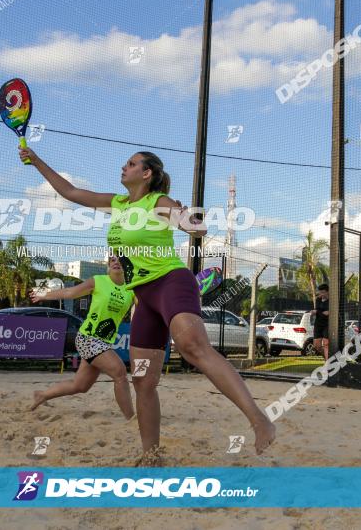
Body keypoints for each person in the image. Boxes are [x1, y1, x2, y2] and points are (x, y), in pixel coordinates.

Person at [18, 146, 275, 460]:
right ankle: (150, 455)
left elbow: (197, 228)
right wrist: (36, 160)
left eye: (131, 164)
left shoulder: (157, 202)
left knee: (193, 347)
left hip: (171, 283)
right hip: (144, 300)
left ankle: (258, 419)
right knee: (143, 381)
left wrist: (188, 218)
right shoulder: (117, 203)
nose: (123, 167)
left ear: (147, 173)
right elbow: (70, 191)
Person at [28, 256, 135, 420]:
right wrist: (43, 294)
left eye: (120, 260)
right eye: (112, 260)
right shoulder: (98, 281)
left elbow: (146, 307)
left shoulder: (131, 289)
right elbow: (70, 292)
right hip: (88, 338)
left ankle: (42, 395)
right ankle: (131, 418)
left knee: (80, 386)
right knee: (119, 372)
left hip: (103, 342)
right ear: (107, 266)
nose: (116, 262)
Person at [311, 284, 330, 359]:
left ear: (328, 292)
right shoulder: (318, 299)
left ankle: (328, 363)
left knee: (326, 344)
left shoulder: (331, 301)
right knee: (316, 346)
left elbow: (330, 312)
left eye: (323, 292)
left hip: (327, 324)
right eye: (320, 292)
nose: (322, 294)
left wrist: (329, 312)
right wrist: (313, 312)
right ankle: (327, 357)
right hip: (318, 324)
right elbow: (316, 310)